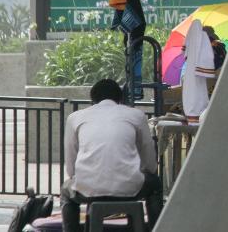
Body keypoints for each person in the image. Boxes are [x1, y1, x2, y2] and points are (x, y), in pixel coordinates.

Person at [61, 79, 162, 232]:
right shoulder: (136, 115)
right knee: (155, 184)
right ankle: (158, 228)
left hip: (87, 189)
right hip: (130, 188)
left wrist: (79, 178)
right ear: (120, 98)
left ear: (92, 100)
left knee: (65, 192)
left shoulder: (75, 117)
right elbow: (149, 159)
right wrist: (146, 171)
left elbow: (70, 165)